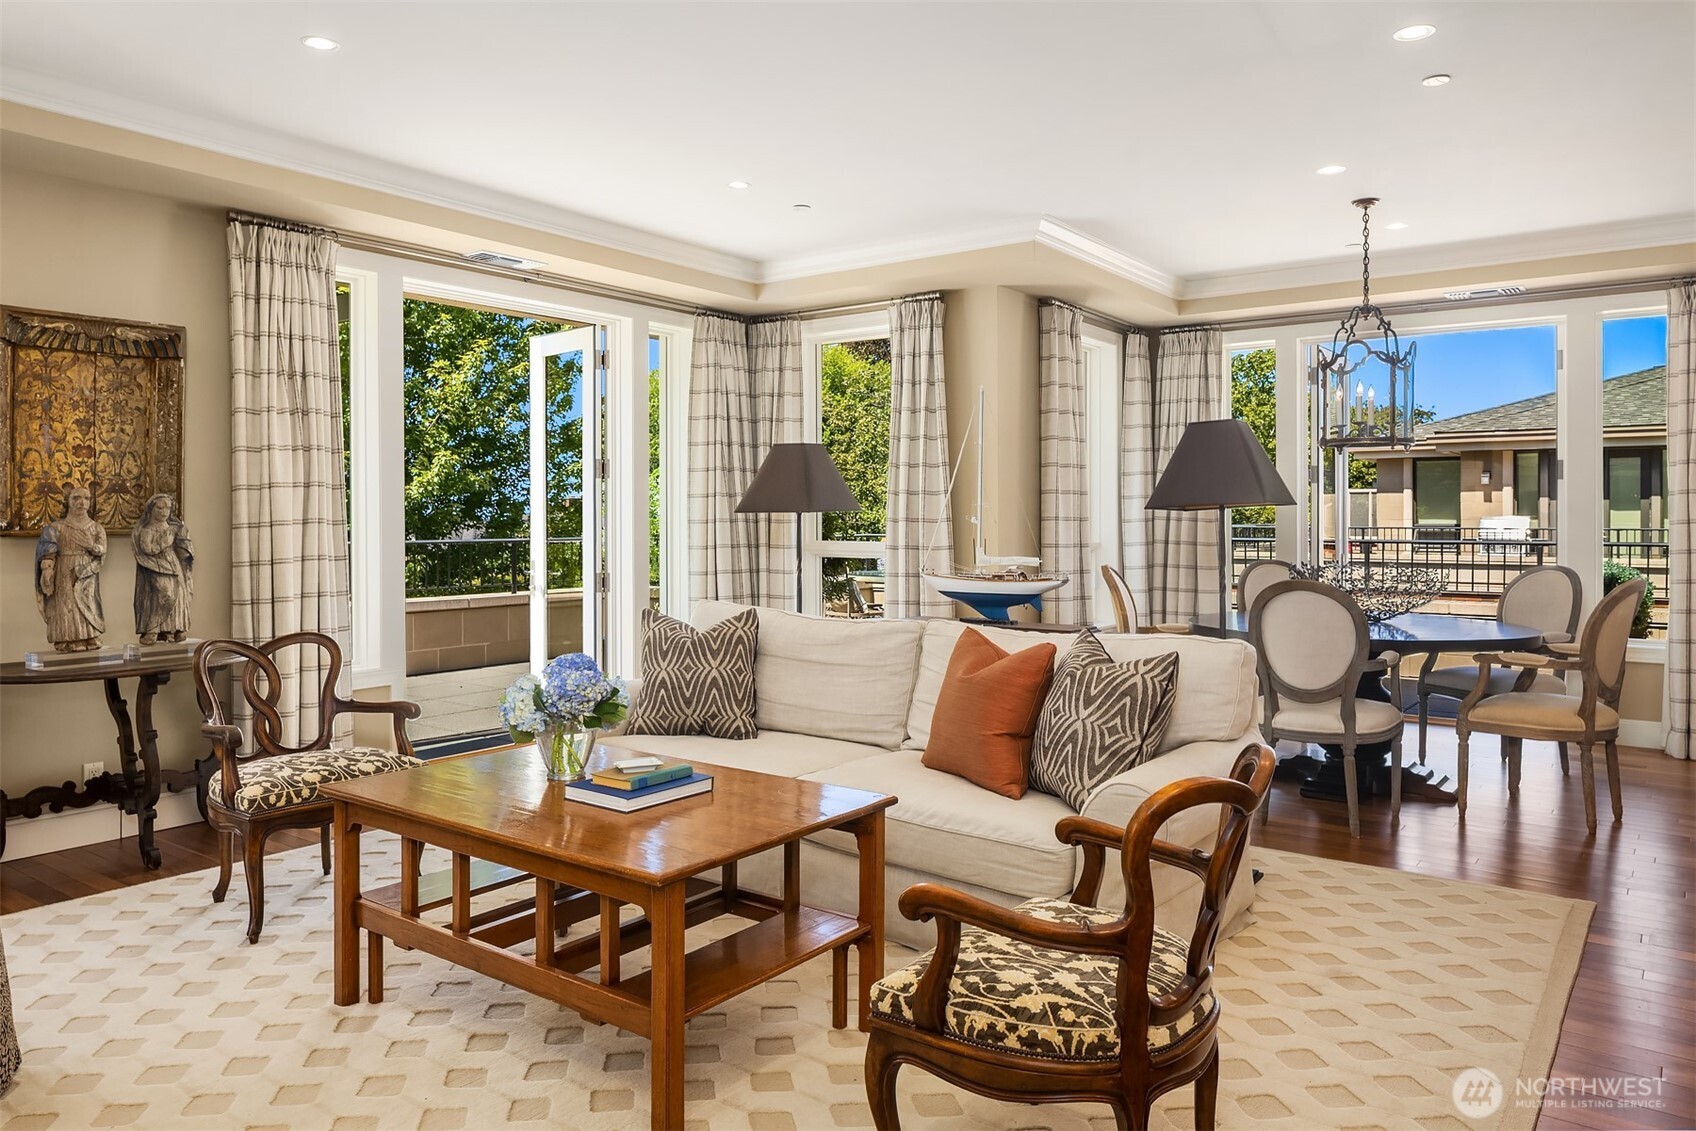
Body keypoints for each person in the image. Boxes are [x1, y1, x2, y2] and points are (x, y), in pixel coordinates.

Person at [34, 485, 106, 652]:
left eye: (87, 498)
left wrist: (91, 546)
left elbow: (102, 550)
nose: (82, 502)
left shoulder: (96, 528)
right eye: (76, 498)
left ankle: (90, 636)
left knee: (86, 601)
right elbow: (48, 551)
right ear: (68, 501)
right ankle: (66, 639)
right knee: (65, 603)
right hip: (64, 568)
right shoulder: (55, 528)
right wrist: (47, 569)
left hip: (87, 570)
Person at [131, 493, 194, 645]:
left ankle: (175, 629)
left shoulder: (174, 528)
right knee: (163, 594)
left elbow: (183, 549)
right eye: (160, 507)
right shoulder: (147, 530)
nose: (164, 511)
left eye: (168, 508)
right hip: (156, 566)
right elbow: (147, 549)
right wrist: (164, 542)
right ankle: (153, 629)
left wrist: (184, 544)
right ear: (151, 510)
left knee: (180, 595)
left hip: (173, 564)